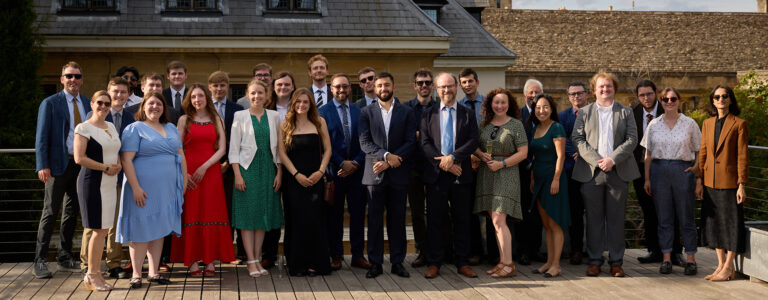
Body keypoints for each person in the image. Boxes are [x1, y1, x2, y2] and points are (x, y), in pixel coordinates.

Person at [117, 91, 188, 288]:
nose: (155, 107)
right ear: (143, 107)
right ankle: (137, 275)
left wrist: (183, 180)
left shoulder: (171, 128)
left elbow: (180, 155)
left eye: (159, 104)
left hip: (167, 189)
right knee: (141, 230)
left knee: (159, 230)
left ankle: (154, 273)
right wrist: (136, 187)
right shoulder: (134, 129)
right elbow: (126, 160)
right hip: (142, 189)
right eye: (150, 103)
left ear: (164, 108)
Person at [572, 72, 639, 277]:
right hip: (591, 173)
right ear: (594, 90)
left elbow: (632, 139)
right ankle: (594, 260)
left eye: (608, 86)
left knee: (616, 220)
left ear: (614, 88)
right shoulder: (584, 112)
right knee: (593, 220)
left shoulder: (626, 112)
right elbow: (577, 138)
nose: (605, 90)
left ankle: (616, 262)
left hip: (617, 171)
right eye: (601, 86)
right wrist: (597, 161)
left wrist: (612, 160)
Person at [170, 83, 236, 276]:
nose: (197, 100)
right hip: (188, 173)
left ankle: (210, 260)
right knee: (191, 213)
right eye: (193, 97)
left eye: (200, 96)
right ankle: (191, 260)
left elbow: (223, 149)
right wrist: (185, 173)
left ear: (207, 98)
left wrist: (205, 167)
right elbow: (177, 148)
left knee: (211, 213)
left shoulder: (217, 119)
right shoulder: (184, 120)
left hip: (211, 172)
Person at [34, 61, 90, 278]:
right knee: (49, 212)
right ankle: (39, 260)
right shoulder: (50, 103)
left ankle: (65, 257)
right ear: (62, 79)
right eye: (69, 76)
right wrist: (42, 165)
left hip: (80, 166)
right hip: (56, 166)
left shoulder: (87, 103)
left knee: (71, 213)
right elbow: (41, 137)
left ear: (82, 79)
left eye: (77, 76)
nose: (73, 80)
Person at [420, 73, 479, 279]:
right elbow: (425, 144)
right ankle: (434, 262)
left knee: (462, 219)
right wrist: (445, 164)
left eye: (450, 86)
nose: (447, 90)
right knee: (435, 220)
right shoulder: (428, 114)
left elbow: (473, 140)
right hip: (437, 174)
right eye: (442, 87)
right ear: (437, 89)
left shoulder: (467, 113)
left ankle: (462, 261)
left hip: (460, 173)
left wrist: (453, 158)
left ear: (456, 87)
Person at [358, 72, 416, 279]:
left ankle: (397, 261)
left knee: (398, 219)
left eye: (387, 85)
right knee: (374, 220)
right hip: (374, 173)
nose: (383, 88)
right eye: (380, 85)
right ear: (375, 88)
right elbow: (364, 142)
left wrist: (393, 160)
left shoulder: (407, 112)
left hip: (398, 174)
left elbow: (411, 141)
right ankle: (375, 263)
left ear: (393, 87)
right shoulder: (365, 112)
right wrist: (386, 156)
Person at [641, 87, 701, 275]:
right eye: (665, 99)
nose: (669, 102)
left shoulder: (690, 124)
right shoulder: (654, 124)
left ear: (679, 100)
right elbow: (648, 154)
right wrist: (647, 178)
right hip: (659, 171)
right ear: (662, 101)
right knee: (664, 217)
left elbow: (700, 149)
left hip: (681, 169)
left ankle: (690, 258)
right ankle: (666, 258)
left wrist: (696, 170)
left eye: (673, 99)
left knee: (686, 217)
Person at [79, 77, 135, 279]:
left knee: (113, 222)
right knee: (92, 223)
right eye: (115, 91)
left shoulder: (131, 117)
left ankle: (114, 264)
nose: (118, 95)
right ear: (108, 92)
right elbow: (81, 154)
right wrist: (105, 167)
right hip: (95, 177)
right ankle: (87, 264)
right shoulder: (93, 116)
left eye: (122, 92)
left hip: (118, 178)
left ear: (128, 95)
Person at [230, 80, 283, 277]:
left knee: (262, 216)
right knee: (247, 217)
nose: (256, 97)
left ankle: (258, 259)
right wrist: (237, 175)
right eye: (253, 93)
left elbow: (278, 149)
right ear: (247, 94)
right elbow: (233, 149)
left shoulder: (275, 116)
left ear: (267, 95)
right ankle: (250, 260)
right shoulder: (240, 116)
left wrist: (279, 172)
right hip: (246, 171)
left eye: (260, 93)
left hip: (268, 171)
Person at [473, 88, 528, 278]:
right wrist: (481, 155)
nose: (499, 106)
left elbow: (523, 153)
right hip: (486, 174)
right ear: (490, 105)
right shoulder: (484, 125)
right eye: (496, 102)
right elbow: (476, 147)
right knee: (496, 222)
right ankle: (503, 261)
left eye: (503, 102)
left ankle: (508, 264)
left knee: (499, 219)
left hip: (507, 173)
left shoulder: (516, 125)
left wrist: (502, 163)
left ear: (509, 104)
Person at [318, 74, 371, 270]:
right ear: (331, 89)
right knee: (334, 216)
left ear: (350, 88)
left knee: (358, 215)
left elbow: (366, 140)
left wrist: (355, 163)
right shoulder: (322, 112)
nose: (342, 90)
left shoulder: (360, 112)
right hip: (335, 173)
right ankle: (336, 255)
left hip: (358, 173)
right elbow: (324, 145)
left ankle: (358, 255)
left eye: (345, 87)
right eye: (338, 87)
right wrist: (341, 163)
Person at [278, 88, 333, 276]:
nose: (301, 105)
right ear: (293, 103)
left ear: (311, 104)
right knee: (296, 221)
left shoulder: (319, 122)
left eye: (305, 102)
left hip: (315, 179)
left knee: (315, 221)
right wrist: (296, 175)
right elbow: (282, 154)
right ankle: (296, 264)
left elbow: (327, 150)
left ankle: (316, 263)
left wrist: (320, 171)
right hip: (294, 181)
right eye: (298, 102)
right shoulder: (285, 124)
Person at [697, 85, 749, 282]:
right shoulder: (707, 124)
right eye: (717, 97)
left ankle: (729, 267)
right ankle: (719, 264)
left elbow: (743, 156)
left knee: (731, 224)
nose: (721, 99)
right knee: (714, 225)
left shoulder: (739, 124)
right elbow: (702, 153)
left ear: (730, 99)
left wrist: (741, 184)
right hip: (710, 182)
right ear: (713, 100)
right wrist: (700, 180)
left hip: (730, 183)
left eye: (725, 96)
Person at [74, 90, 122, 291]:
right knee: (97, 230)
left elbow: (115, 150)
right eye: (99, 103)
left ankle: (97, 274)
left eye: (107, 104)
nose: (103, 107)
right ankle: (91, 275)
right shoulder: (83, 128)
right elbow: (79, 158)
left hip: (110, 183)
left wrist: (118, 164)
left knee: (104, 231)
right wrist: (106, 168)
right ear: (92, 104)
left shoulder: (110, 126)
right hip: (92, 183)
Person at [633, 80, 683, 265]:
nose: (646, 98)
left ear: (656, 93)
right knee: (648, 210)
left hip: (666, 167)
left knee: (672, 210)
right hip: (640, 169)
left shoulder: (668, 110)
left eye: (649, 94)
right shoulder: (632, 113)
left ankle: (675, 252)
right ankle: (654, 250)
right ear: (638, 97)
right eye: (642, 95)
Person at [528, 93, 570, 278]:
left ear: (551, 109)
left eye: (545, 107)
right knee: (546, 224)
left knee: (555, 223)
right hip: (538, 180)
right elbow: (534, 156)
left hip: (553, 180)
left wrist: (556, 179)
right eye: (538, 107)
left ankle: (556, 265)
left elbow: (561, 156)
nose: (541, 110)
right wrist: (531, 179)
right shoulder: (535, 128)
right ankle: (548, 262)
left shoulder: (557, 128)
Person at [208, 71, 246, 264]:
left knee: (231, 209)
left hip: (232, 167)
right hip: (207, 167)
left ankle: (232, 251)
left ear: (228, 87)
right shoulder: (203, 108)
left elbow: (240, 140)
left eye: (223, 85)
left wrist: (228, 163)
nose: (219, 88)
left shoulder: (237, 109)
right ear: (210, 88)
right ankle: (211, 250)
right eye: (215, 85)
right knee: (211, 209)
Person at [261, 71, 296, 269]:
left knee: (292, 212)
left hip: (296, 165)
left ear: (293, 86)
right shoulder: (266, 109)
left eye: (287, 85)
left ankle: (292, 254)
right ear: (273, 88)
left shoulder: (299, 107)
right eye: (279, 85)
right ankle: (269, 254)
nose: (283, 88)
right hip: (271, 165)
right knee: (271, 211)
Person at [403, 68, 436, 268]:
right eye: (420, 83)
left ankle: (437, 250)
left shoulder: (440, 107)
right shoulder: (406, 109)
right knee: (417, 212)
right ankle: (422, 251)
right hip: (413, 166)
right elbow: (407, 136)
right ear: (415, 86)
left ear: (432, 85)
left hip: (436, 166)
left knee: (436, 211)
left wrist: (420, 136)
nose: (424, 86)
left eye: (427, 82)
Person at [558, 81, 589, 265]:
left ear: (587, 94)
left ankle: (594, 249)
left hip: (594, 169)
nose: (576, 97)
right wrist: (575, 153)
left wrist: (586, 154)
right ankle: (576, 249)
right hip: (572, 170)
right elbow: (562, 138)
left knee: (595, 212)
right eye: (572, 94)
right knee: (575, 212)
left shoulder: (595, 113)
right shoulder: (562, 116)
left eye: (579, 93)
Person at [517, 79, 545, 265]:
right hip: (523, 172)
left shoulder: (546, 116)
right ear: (524, 94)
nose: (534, 96)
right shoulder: (517, 117)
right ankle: (523, 251)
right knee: (524, 213)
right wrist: (528, 164)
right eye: (531, 92)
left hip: (544, 172)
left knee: (540, 213)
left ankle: (536, 249)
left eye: (537, 92)